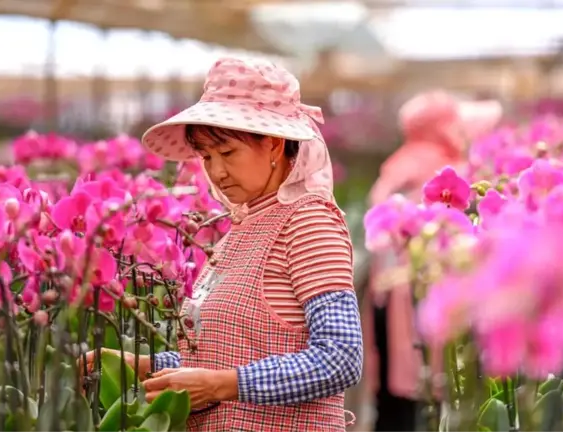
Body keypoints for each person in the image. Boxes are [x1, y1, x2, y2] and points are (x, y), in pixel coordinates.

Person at [82, 57, 363, 431]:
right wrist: (146, 366)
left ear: (275, 144)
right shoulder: (245, 224)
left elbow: (341, 358)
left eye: (228, 153)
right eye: (207, 156)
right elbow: (230, 355)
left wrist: (223, 386)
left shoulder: (308, 222)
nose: (216, 171)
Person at [362, 90, 502, 432]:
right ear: (447, 129)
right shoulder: (452, 170)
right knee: (428, 401)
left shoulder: (395, 167)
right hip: (424, 300)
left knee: (392, 401)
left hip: (385, 296)